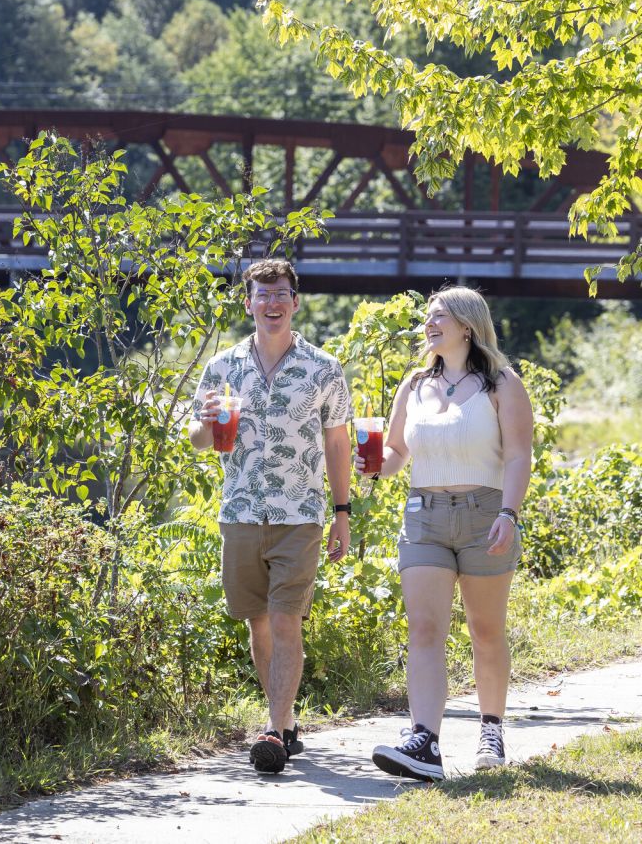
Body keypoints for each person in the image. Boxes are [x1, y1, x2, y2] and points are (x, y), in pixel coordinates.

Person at [362, 286, 533, 782]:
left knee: (485, 630)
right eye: (427, 317)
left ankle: (491, 729)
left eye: (439, 317)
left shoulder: (501, 384)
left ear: (467, 325)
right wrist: (372, 465)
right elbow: (395, 455)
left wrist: (509, 511)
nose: (429, 324)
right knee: (424, 629)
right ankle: (425, 741)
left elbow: (520, 454)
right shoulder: (413, 385)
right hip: (424, 514)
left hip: (486, 513)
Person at [189, 259, 353, 775]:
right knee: (258, 624)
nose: (273, 302)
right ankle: (284, 724)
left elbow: (337, 442)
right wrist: (207, 421)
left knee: (285, 620)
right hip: (239, 512)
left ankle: (274, 729)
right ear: (249, 304)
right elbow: (197, 441)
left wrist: (343, 513)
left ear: (295, 302)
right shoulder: (222, 368)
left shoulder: (323, 368)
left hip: (299, 514)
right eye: (263, 294)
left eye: (281, 293)